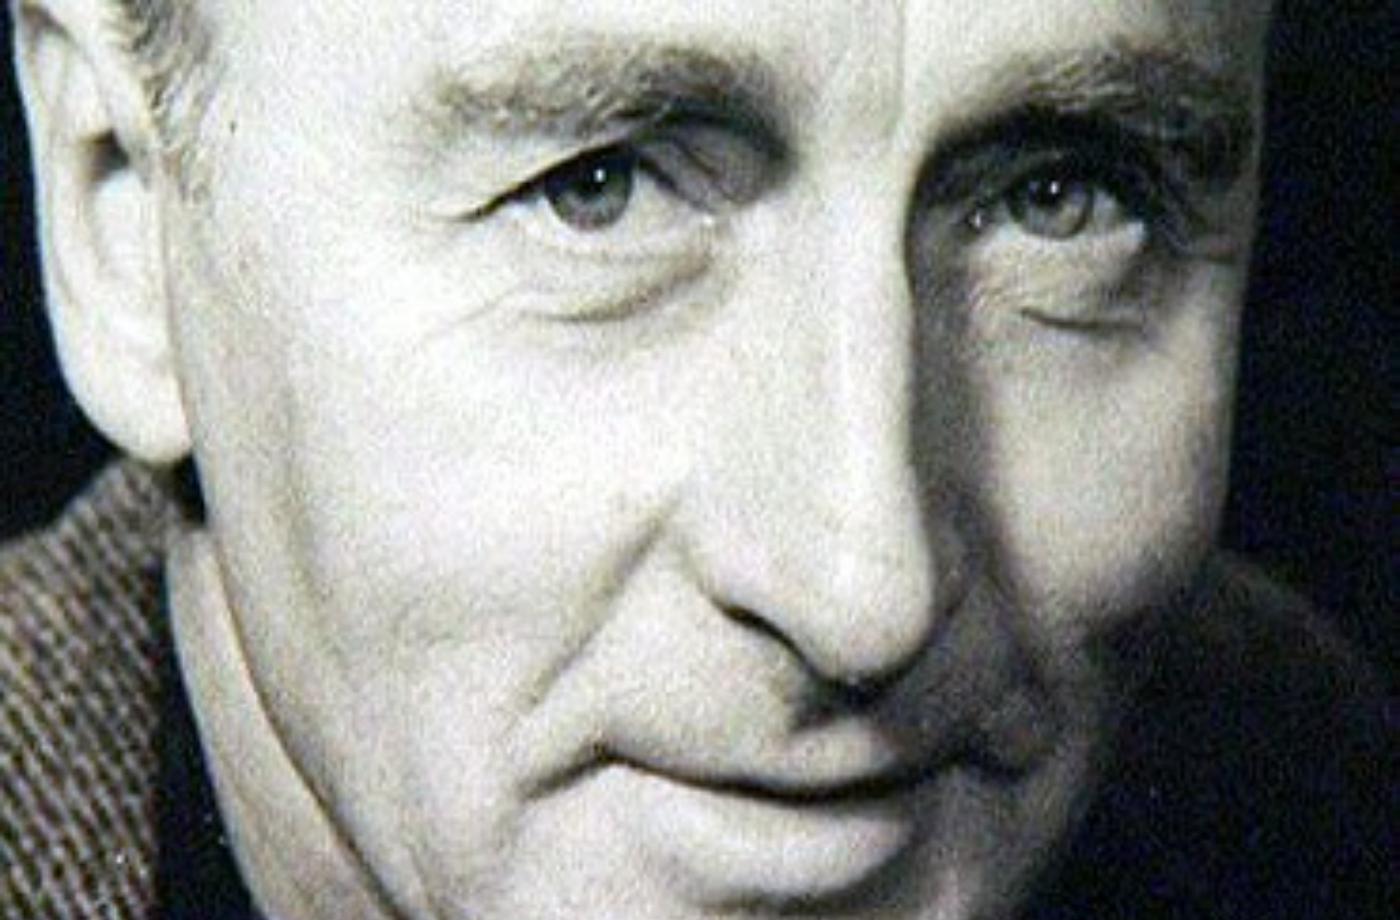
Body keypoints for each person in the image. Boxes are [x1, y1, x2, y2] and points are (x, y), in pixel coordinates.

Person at [0, 0, 1390, 918]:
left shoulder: (1289, 797)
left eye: (1060, 198)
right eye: (597, 191)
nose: (868, 595)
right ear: (120, 216)